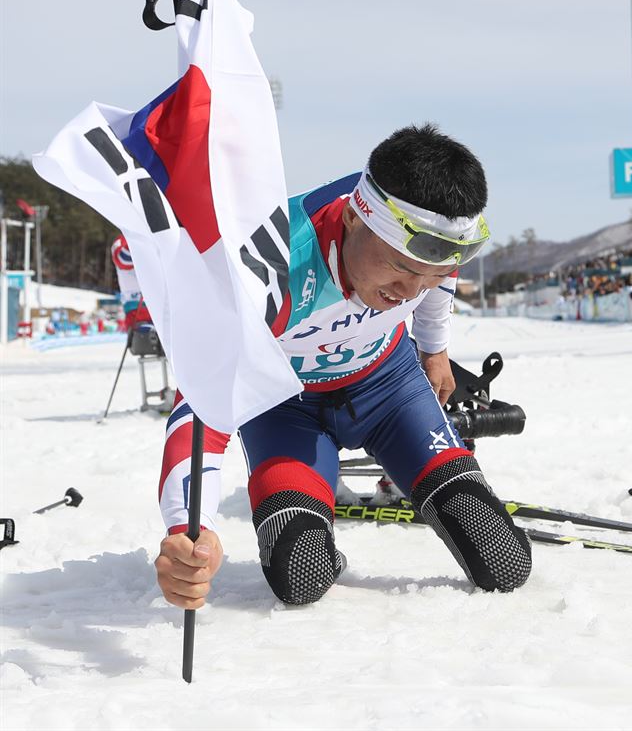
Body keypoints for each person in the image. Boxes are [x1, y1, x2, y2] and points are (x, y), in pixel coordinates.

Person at [155, 124, 532, 609]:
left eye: (431, 271)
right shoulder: (271, 267)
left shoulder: (435, 237)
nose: (412, 290)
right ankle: (318, 525)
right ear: (356, 218)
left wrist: (434, 349)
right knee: (301, 576)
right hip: (285, 408)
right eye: (399, 266)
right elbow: (202, 409)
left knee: (503, 563)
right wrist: (189, 530)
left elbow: (440, 274)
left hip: (389, 390)